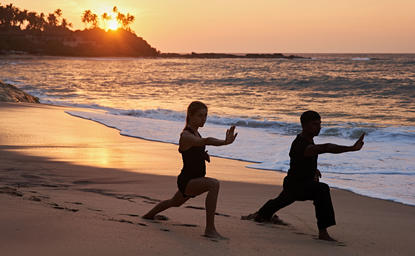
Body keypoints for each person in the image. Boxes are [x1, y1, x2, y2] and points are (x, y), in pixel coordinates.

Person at [246, 110, 364, 241]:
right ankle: (323, 232)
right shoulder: (302, 144)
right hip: (297, 185)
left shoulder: (306, 140)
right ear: (305, 126)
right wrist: (351, 148)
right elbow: (326, 148)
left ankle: (261, 214)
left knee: (282, 200)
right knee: (321, 190)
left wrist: (313, 170)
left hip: (295, 182)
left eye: (320, 124)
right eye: (315, 124)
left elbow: (303, 161)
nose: (319, 127)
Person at [143, 101, 238, 239]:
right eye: (200, 115)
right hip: (188, 181)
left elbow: (195, 149)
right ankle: (210, 230)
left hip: (192, 179)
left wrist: (203, 155)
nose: (203, 119)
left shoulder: (195, 134)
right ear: (190, 115)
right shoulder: (186, 136)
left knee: (174, 202)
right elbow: (204, 141)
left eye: (205, 116)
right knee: (214, 184)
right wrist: (224, 142)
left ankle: (148, 215)